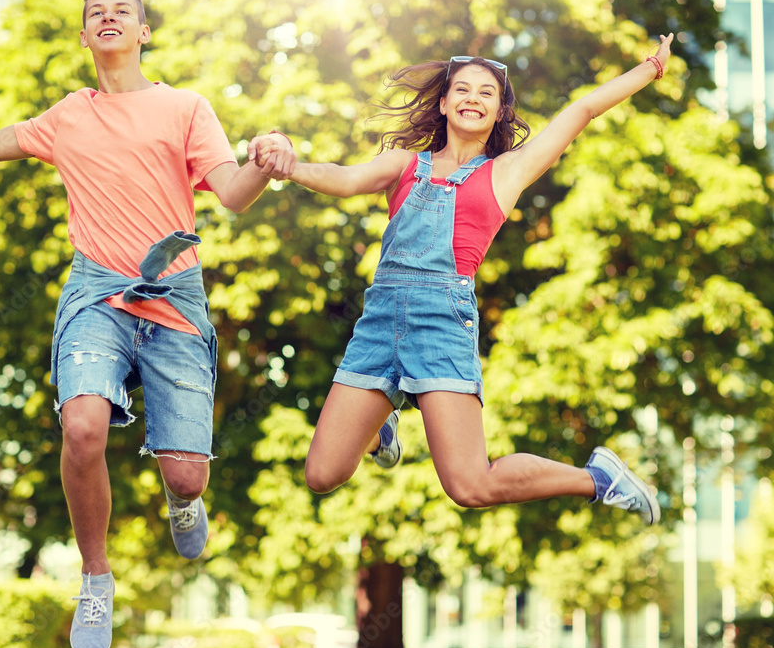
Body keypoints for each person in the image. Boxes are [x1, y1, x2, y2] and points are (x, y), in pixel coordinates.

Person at [0, 0, 295, 648]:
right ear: (85, 33)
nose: (108, 17)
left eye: (122, 9)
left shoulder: (186, 107)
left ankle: (183, 499)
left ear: (144, 31)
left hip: (174, 294)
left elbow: (233, 195)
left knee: (187, 475)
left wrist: (266, 164)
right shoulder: (68, 116)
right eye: (96, 11)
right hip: (97, 292)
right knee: (83, 425)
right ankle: (96, 577)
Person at [257, 38, 673, 523]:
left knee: (471, 486)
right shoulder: (404, 164)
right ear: (443, 103)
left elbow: (582, 110)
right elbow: (346, 178)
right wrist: (289, 168)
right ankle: (380, 428)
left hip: (442, 323)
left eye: (486, 92)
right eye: (462, 89)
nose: (473, 97)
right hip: (379, 323)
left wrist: (650, 68)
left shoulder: (507, 171)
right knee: (322, 474)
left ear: (499, 112)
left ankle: (598, 478)